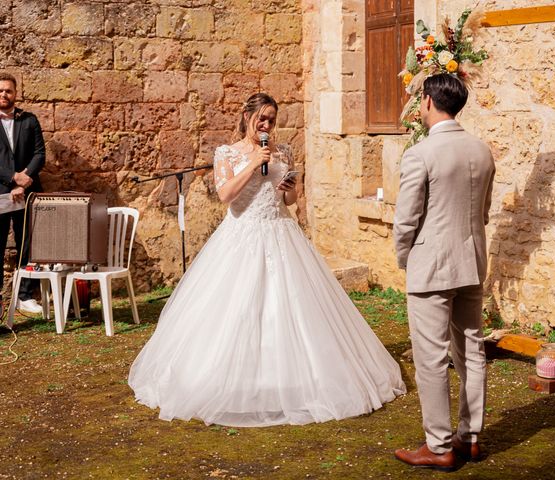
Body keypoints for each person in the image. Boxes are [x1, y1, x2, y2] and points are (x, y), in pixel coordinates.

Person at [129, 92, 406, 426]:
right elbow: (226, 196)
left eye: (271, 120)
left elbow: (290, 199)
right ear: (247, 116)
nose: (266, 125)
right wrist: (252, 162)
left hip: (281, 232)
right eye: (261, 119)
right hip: (241, 236)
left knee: (290, 307)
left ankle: (294, 378)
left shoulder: (283, 151)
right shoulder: (227, 153)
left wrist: (290, 183)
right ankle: (234, 380)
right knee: (238, 309)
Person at [392, 74, 495, 471]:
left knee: (431, 358)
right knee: (471, 350)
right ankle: (469, 438)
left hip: (432, 266)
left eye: (420, 100)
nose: (419, 106)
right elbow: (482, 212)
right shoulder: (482, 150)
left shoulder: (421, 153)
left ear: (430, 101)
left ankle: (438, 446)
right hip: (471, 262)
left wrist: (406, 258)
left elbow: (406, 220)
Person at [0, 72, 44, 315]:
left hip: (27, 193)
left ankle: (26, 295)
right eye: (0, 90)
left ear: (15, 93)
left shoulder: (29, 120)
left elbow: (40, 154)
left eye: (8, 90)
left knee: (29, 243)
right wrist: (11, 178)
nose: (4, 94)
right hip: (0, 194)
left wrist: (24, 181)